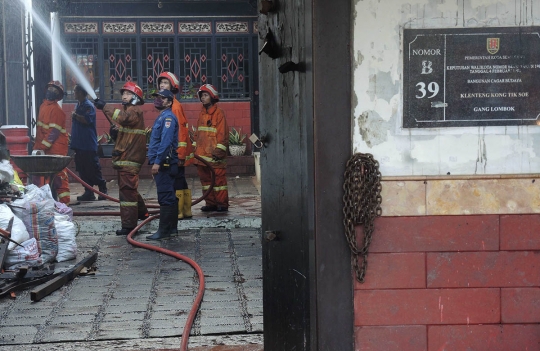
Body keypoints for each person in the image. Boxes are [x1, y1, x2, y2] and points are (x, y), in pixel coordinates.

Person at [94, 82, 149, 236]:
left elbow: (123, 118)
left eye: (128, 94)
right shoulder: (131, 111)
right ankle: (143, 213)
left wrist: (105, 106)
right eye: (123, 94)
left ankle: (129, 226)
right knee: (129, 190)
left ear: (135, 97)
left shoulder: (134, 111)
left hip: (129, 159)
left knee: (127, 194)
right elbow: (127, 132)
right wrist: (116, 134)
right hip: (126, 158)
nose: (124, 96)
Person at [157, 72, 192, 220]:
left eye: (165, 83)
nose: (162, 85)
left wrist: (180, 154)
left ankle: (178, 212)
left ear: (172, 86)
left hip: (176, 152)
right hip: (177, 152)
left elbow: (181, 132)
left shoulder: (174, 107)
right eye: (161, 82)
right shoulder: (174, 104)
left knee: (176, 180)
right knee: (180, 180)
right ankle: (185, 211)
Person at [146, 89, 179, 240]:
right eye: (157, 97)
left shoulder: (168, 119)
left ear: (170, 102)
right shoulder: (162, 117)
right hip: (163, 162)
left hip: (164, 163)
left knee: (165, 196)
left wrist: (157, 162)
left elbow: (165, 143)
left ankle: (164, 231)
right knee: (169, 195)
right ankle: (172, 229)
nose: (158, 100)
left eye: (162, 98)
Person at [192, 84, 229, 212]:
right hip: (202, 157)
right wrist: (194, 151)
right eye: (201, 95)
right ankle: (210, 203)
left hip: (215, 157)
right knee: (206, 181)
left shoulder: (219, 114)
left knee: (219, 182)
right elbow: (198, 134)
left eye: (206, 95)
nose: (203, 98)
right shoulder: (202, 114)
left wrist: (218, 152)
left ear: (212, 97)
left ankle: (222, 204)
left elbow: (222, 134)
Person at [33, 80, 70, 204]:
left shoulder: (57, 110)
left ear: (58, 95)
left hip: (56, 149)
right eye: (50, 89)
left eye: (55, 90)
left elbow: (54, 132)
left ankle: (64, 204)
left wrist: (42, 146)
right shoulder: (43, 106)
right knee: (42, 176)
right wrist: (38, 147)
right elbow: (41, 130)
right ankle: (45, 203)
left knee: (59, 177)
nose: (51, 92)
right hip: (44, 147)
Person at [70, 84, 108, 201]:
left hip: (87, 145)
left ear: (81, 93)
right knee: (82, 169)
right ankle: (89, 192)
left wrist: (75, 115)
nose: (74, 93)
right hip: (79, 145)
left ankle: (102, 190)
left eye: (75, 91)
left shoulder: (88, 106)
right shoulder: (79, 104)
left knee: (92, 169)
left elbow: (87, 120)